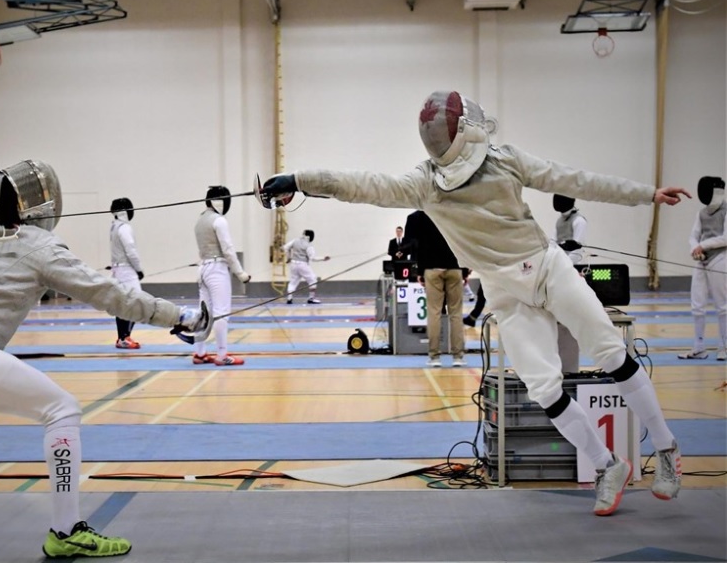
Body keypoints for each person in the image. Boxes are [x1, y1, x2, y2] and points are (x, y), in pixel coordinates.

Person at [260, 89, 689, 516]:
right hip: (505, 292)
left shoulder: (505, 159)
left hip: (547, 268)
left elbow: (572, 179)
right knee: (544, 388)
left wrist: (646, 193)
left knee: (611, 351)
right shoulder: (426, 183)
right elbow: (363, 185)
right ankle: (606, 465)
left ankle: (667, 449)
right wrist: (301, 180)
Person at [0, 159, 210, 558]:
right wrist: (179, 316)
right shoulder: (41, 246)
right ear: (34, 206)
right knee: (62, 409)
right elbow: (108, 293)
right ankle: (66, 531)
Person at [192, 185, 251, 366]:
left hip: (202, 270)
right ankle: (222, 355)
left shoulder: (200, 220)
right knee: (221, 314)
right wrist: (240, 273)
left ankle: (200, 353)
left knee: (204, 314)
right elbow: (228, 250)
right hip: (216, 270)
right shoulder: (219, 220)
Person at [678, 176, 726, 361]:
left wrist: (702, 246)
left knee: (723, 307)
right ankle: (699, 348)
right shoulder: (702, 213)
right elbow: (693, 236)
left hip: (721, 258)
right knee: (697, 305)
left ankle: (724, 347)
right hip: (702, 260)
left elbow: (725, 238)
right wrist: (694, 249)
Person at [411, 210, 466, 367]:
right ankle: (458, 356)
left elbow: (418, 244)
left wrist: (420, 271)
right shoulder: (456, 212)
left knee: (434, 312)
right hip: (455, 266)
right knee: (456, 313)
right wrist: (466, 269)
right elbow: (463, 240)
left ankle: (434, 356)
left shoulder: (422, 215)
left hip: (431, 267)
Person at [109, 197, 145, 349]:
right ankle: (124, 337)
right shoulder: (124, 228)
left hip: (118, 269)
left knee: (124, 303)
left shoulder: (114, 227)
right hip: (126, 270)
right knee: (136, 303)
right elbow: (131, 251)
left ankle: (122, 337)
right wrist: (139, 269)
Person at [283, 229, 331, 304]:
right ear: (310, 236)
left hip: (293, 264)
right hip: (303, 265)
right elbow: (313, 258)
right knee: (313, 280)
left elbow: (286, 247)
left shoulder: (295, 241)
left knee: (293, 282)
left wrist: (288, 257)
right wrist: (324, 258)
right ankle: (311, 298)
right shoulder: (308, 245)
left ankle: (289, 299)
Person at [553, 195, 588, 264]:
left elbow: (577, 252)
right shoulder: (559, 220)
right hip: (559, 265)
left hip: (573, 267)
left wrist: (563, 265)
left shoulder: (579, 221)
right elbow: (553, 243)